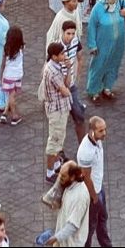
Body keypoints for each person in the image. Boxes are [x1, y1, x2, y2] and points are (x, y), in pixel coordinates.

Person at [84, 0, 125, 100]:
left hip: (119, 43)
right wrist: (92, 45)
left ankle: (107, 88)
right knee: (98, 66)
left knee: (113, 65)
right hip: (102, 43)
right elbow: (91, 27)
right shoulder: (98, 7)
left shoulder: (120, 2)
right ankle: (93, 90)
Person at [40, 41, 74, 181]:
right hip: (57, 110)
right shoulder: (52, 71)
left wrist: (68, 69)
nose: (64, 55)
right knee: (54, 141)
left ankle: (55, 165)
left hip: (61, 108)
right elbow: (65, 90)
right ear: (54, 56)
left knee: (59, 138)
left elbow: (67, 83)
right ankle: (49, 172)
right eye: (61, 54)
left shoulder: (57, 66)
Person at [74, 116, 111, 247]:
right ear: (92, 131)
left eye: (105, 129)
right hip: (92, 194)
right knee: (90, 227)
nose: (104, 133)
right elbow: (86, 177)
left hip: (99, 188)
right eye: (101, 131)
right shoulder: (86, 151)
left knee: (102, 219)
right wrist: (94, 198)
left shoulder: (97, 139)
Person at [49, 161, 92, 248]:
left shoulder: (80, 196)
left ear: (72, 177)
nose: (60, 178)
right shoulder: (68, 184)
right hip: (63, 239)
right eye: (60, 174)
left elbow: (73, 226)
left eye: (63, 176)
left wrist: (55, 238)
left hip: (72, 243)